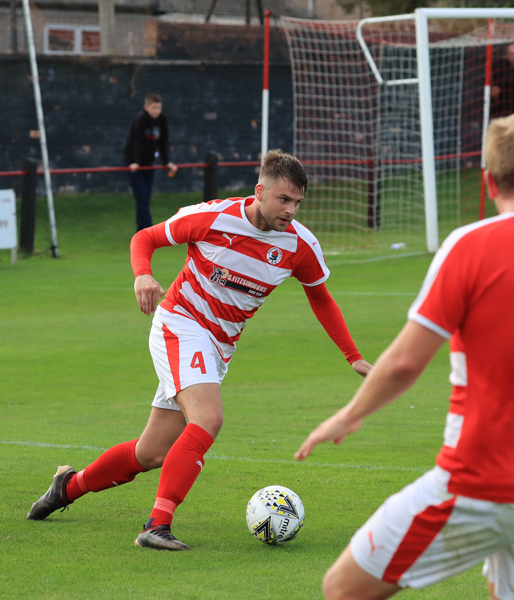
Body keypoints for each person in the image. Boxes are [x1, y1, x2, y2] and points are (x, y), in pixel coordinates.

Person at [295, 113, 514, 600]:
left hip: (477, 480)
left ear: (489, 180)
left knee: (342, 588)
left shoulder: (474, 244)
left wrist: (347, 416)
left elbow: (404, 363)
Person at [27, 149, 372, 550]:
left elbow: (321, 299)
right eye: (283, 199)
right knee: (208, 419)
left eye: (297, 202)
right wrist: (143, 276)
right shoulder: (212, 217)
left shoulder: (299, 245)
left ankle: (67, 487)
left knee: (150, 453)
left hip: (219, 348)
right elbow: (146, 238)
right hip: (181, 325)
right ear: (260, 190)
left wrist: (354, 356)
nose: (291, 210)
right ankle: (156, 526)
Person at [123, 93, 178, 231]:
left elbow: (163, 141)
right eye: (154, 108)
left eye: (159, 108)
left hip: (149, 163)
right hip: (133, 163)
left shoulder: (162, 119)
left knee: (146, 197)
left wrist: (166, 162)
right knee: (141, 195)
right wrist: (135, 162)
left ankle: (142, 229)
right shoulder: (140, 118)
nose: (157, 111)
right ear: (146, 107)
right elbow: (137, 141)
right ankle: (147, 229)